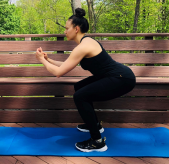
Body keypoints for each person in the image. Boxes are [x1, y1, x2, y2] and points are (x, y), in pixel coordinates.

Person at [35, 8, 136, 152]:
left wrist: (41, 61)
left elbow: (58, 73)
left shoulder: (83, 47)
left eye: (66, 28)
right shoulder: (85, 42)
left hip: (121, 79)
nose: (65, 31)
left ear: (76, 29)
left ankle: (97, 142)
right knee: (80, 87)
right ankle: (95, 125)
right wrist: (48, 59)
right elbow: (65, 66)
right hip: (113, 76)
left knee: (80, 96)